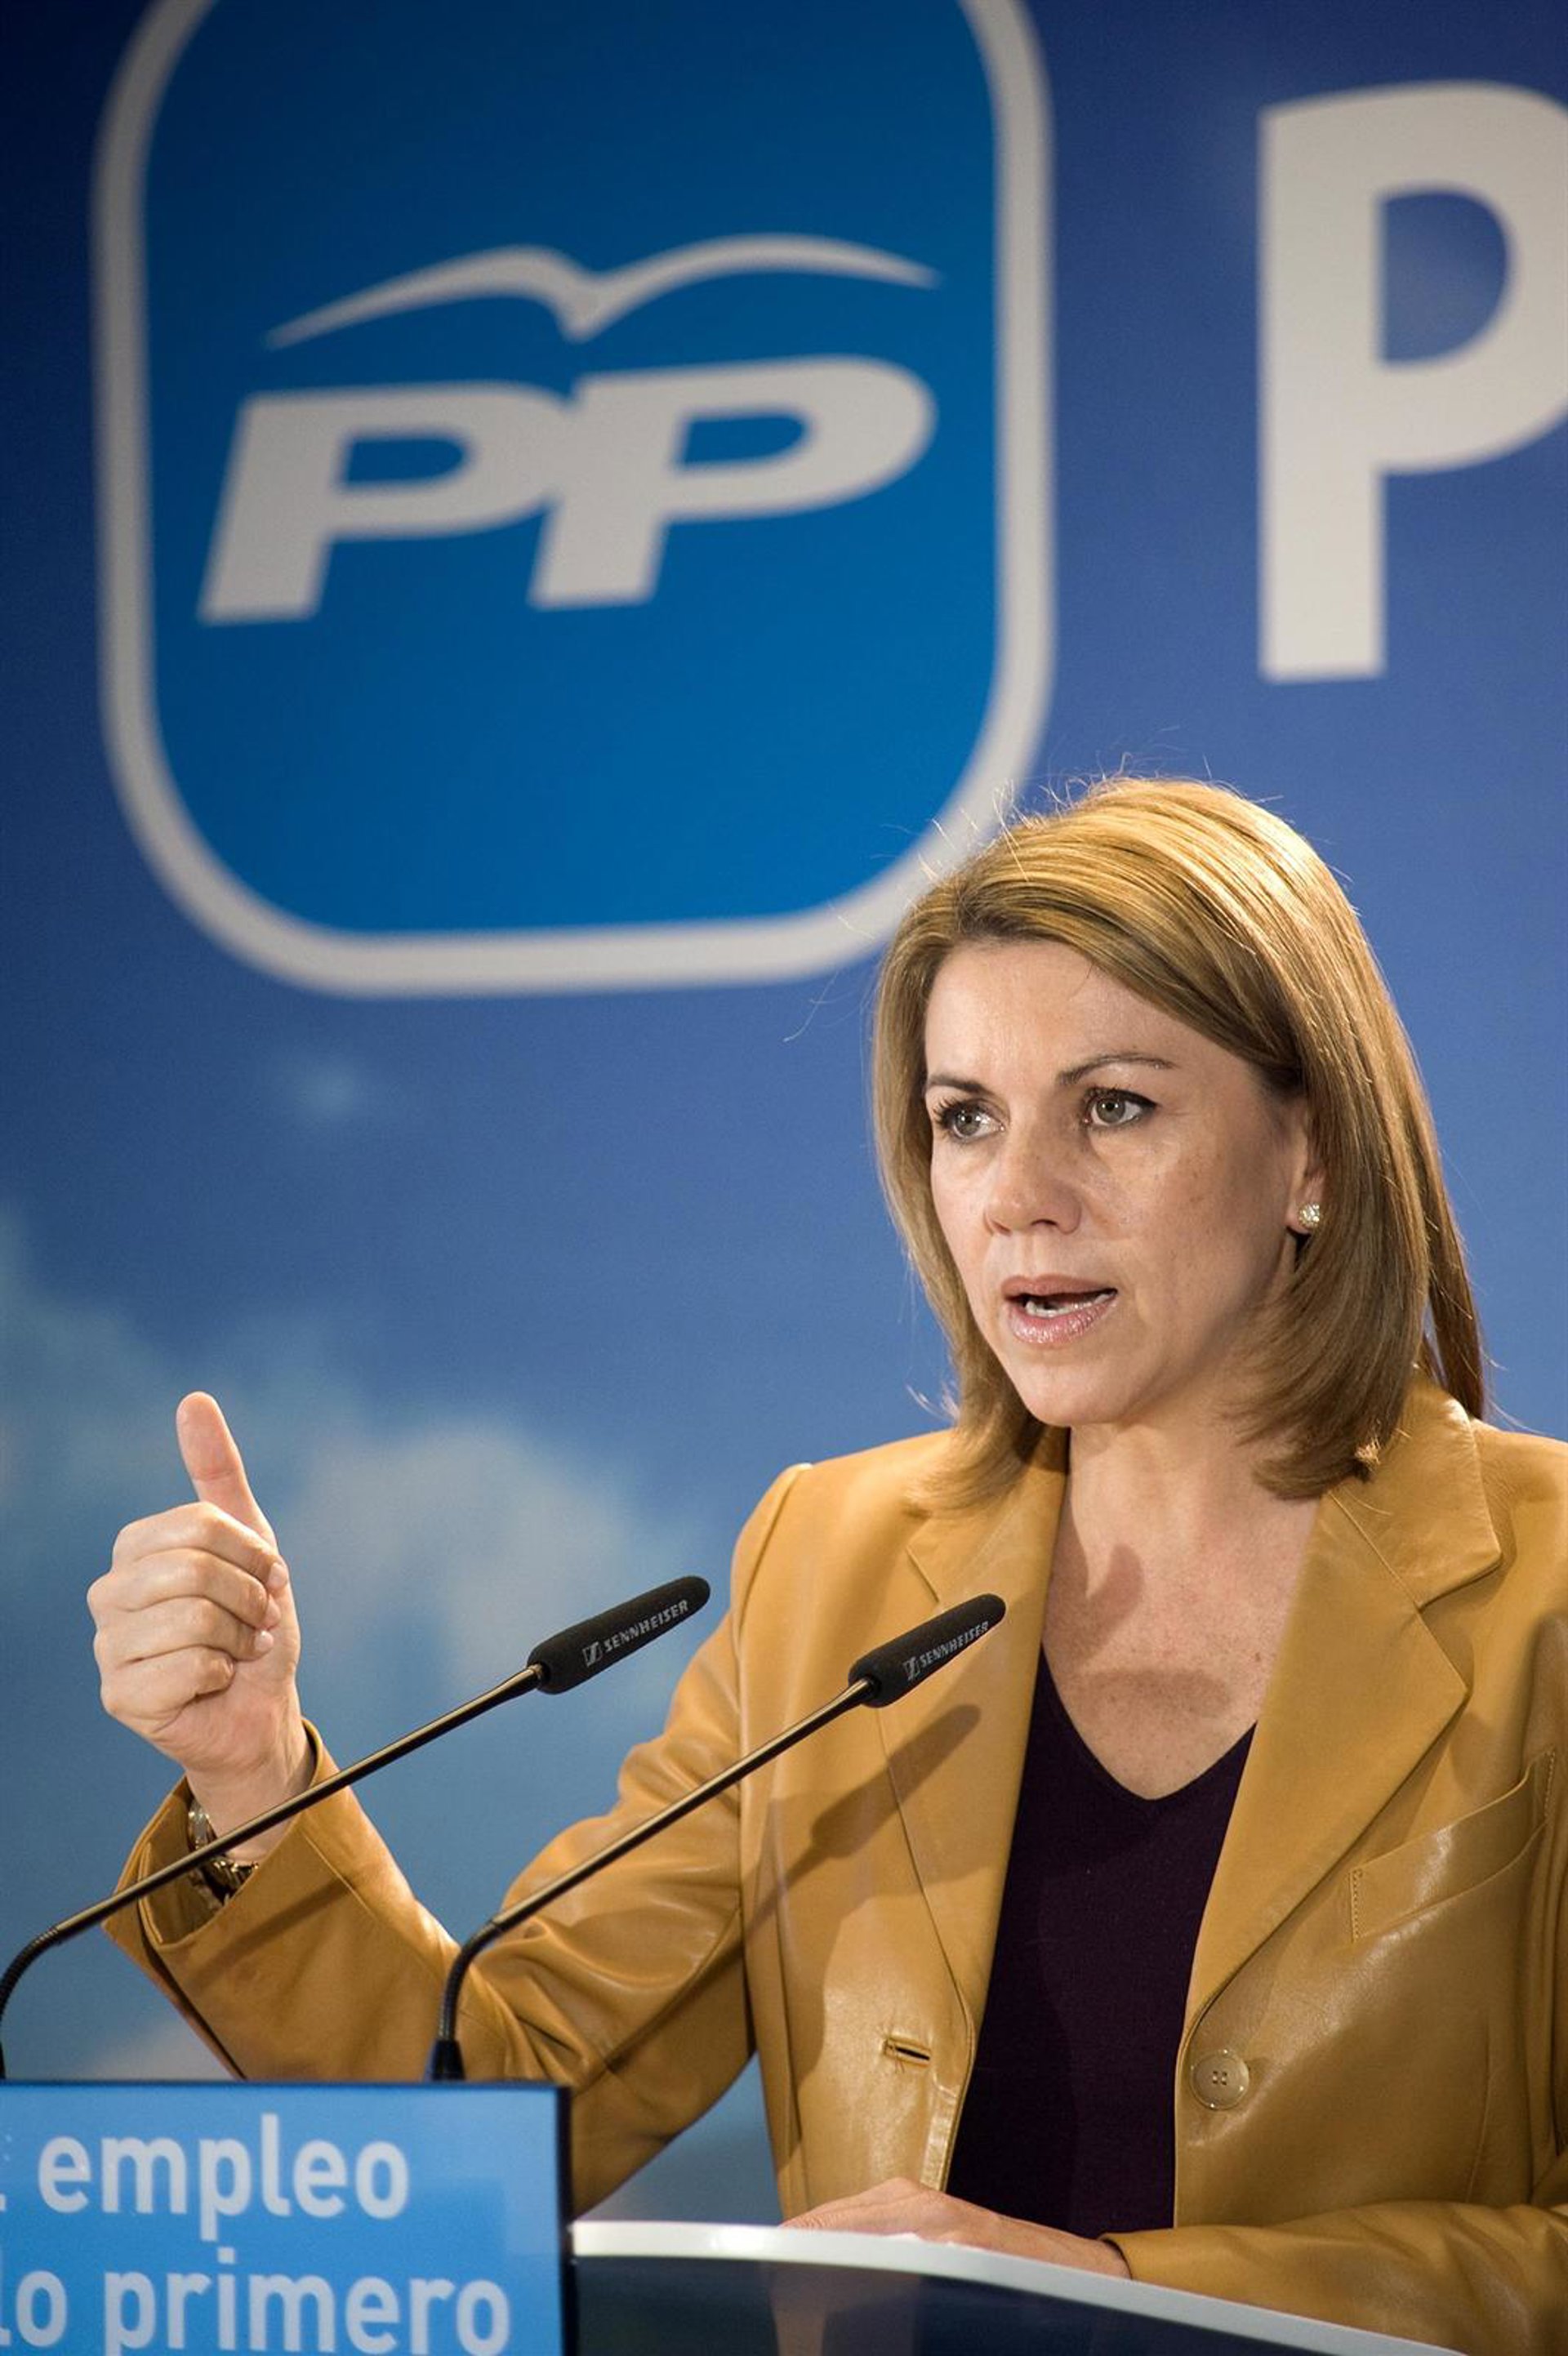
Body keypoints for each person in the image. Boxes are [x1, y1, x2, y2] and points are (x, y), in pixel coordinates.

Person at [91, 779, 1566, 2353]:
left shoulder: (1541, 1586)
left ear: (1311, 1151)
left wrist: (1110, 2290)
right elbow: (498, 2108)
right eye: (966, 1117)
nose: (1020, 1196)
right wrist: (255, 1779)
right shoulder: (830, 1567)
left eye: (1115, 1107)